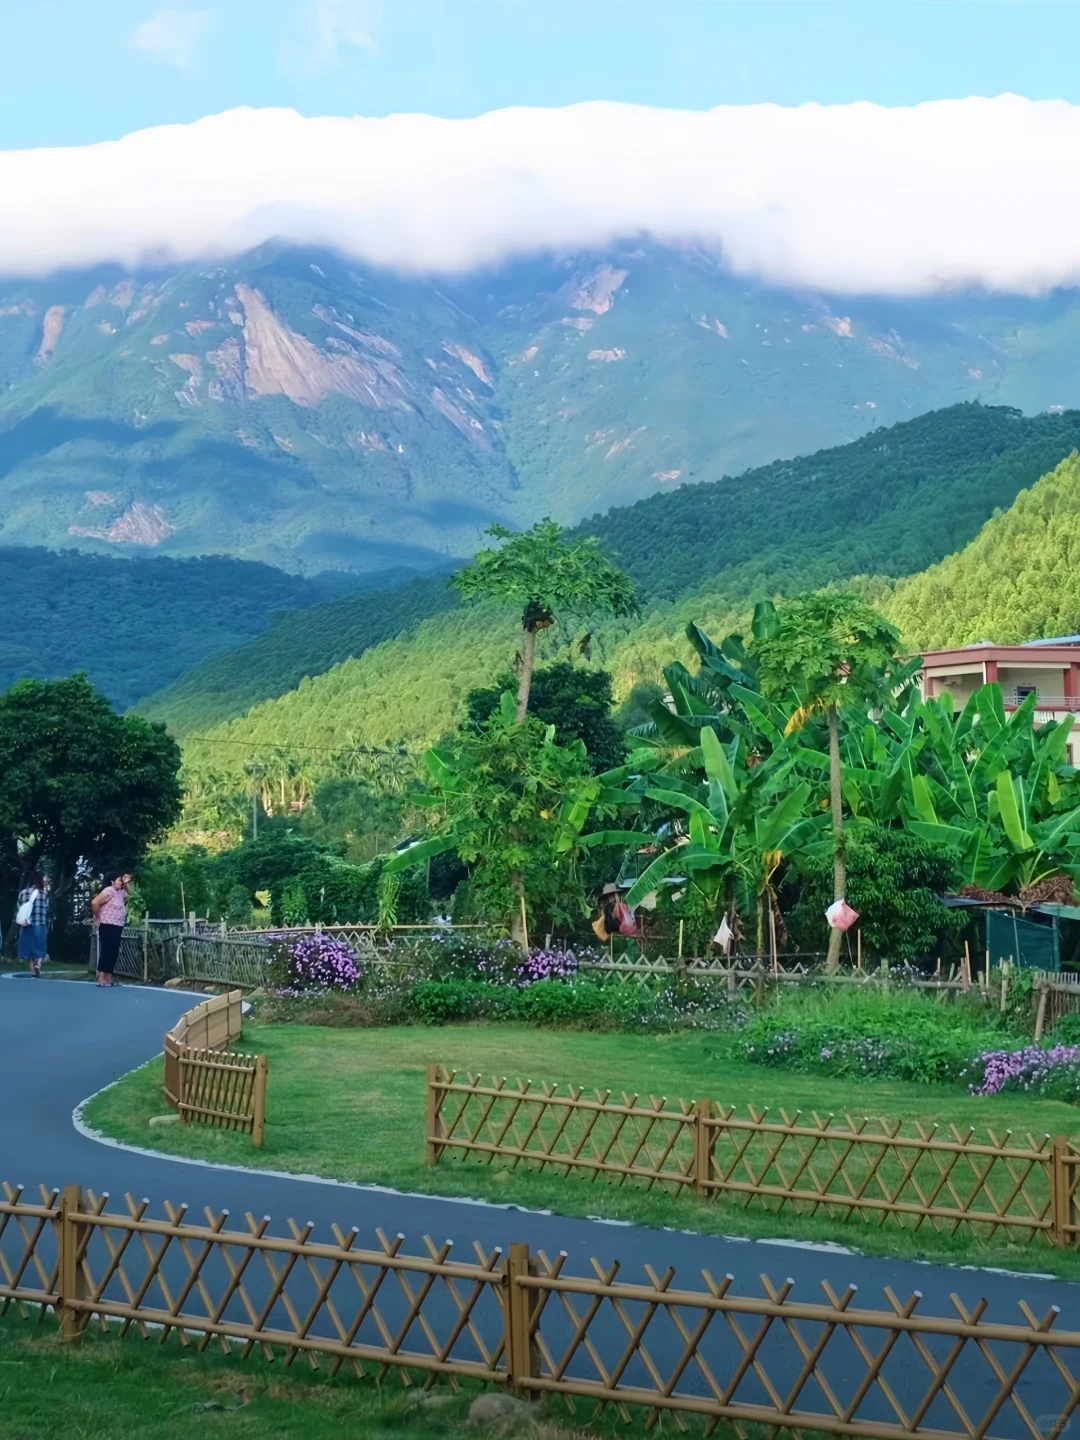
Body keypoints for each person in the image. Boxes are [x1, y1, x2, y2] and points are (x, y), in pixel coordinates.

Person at [91, 872, 131, 987]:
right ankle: (101, 977)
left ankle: (108, 977)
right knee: (107, 950)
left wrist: (126, 882)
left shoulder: (120, 892)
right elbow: (94, 902)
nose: (121, 882)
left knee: (113, 951)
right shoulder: (108, 890)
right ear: (112, 882)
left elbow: (130, 894)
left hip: (117, 925)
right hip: (107, 924)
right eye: (119, 880)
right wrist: (97, 917)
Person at [15, 871, 49, 977]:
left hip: (26, 923)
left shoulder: (23, 893)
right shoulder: (44, 894)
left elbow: (19, 907)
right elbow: (46, 908)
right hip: (40, 923)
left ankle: (32, 972)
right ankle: (38, 964)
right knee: (40, 945)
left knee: (29, 947)